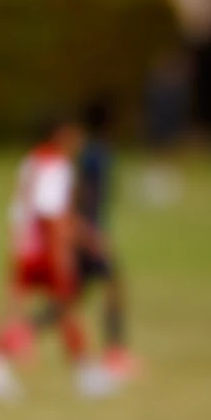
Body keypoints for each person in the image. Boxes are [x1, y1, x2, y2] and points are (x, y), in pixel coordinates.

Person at [0, 115, 87, 404]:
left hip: (25, 245)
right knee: (62, 306)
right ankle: (83, 373)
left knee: (28, 308)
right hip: (44, 248)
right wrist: (62, 254)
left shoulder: (32, 160)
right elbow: (49, 214)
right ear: (61, 133)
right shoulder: (56, 164)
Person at [63, 96, 133, 392]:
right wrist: (91, 233)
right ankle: (115, 357)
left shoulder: (90, 152)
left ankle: (19, 336)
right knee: (112, 289)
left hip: (84, 233)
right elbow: (86, 196)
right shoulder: (97, 155)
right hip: (89, 235)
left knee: (68, 299)